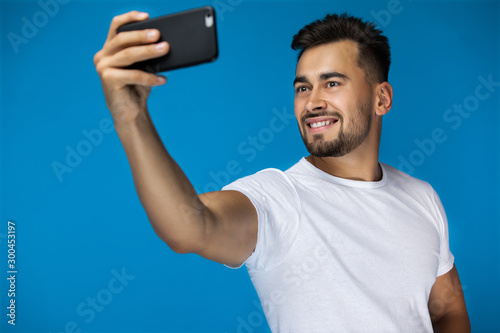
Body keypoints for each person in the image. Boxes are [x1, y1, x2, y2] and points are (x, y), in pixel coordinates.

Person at [94, 10, 470, 332]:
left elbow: (447, 307)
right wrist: (132, 118)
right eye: (302, 88)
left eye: (332, 83)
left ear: (381, 98)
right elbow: (190, 228)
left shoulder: (421, 196)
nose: (313, 102)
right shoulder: (278, 197)